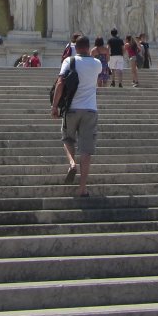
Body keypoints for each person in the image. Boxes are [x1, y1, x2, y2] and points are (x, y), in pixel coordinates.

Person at [52, 35, 102, 198]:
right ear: (88, 47)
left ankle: (72, 163)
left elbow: (60, 83)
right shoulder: (97, 64)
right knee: (86, 151)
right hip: (90, 110)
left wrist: (54, 106)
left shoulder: (69, 61)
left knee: (67, 139)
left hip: (72, 109)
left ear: (75, 47)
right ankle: (82, 188)